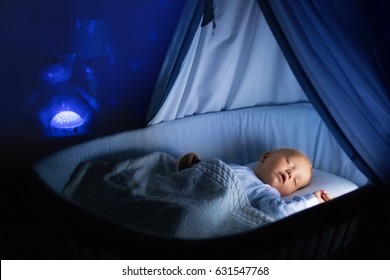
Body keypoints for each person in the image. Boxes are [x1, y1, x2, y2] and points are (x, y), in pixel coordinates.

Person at [178, 148, 332, 220]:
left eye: (296, 181)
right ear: (266, 156)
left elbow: (279, 212)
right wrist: (196, 163)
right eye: (289, 164)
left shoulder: (267, 193)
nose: (291, 174)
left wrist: (312, 200)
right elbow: (213, 171)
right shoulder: (238, 167)